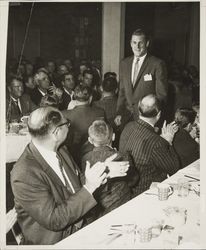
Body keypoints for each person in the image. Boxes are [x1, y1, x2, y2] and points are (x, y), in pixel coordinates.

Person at [10, 106, 129, 244]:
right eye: (67, 123)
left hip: (81, 223)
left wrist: (104, 171)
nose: (70, 126)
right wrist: (90, 187)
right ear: (56, 133)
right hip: (58, 240)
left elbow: (76, 184)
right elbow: (55, 220)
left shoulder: (61, 150)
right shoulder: (24, 174)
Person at [119, 94, 180, 196]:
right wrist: (168, 141)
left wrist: (161, 139)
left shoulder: (128, 126)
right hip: (145, 192)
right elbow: (174, 168)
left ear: (139, 111)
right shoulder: (156, 142)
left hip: (126, 189)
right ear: (159, 114)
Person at [115, 28, 168, 128]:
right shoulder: (124, 63)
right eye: (134, 43)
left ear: (147, 43)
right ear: (130, 43)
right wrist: (119, 112)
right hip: (126, 117)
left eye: (141, 43)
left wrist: (156, 120)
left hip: (146, 118)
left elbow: (161, 96)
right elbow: (122, 91)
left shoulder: (157, 64)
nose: (137, 47)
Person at [81, 120, 132, 222]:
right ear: (113, 136)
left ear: (90, 140)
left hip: (98, 208)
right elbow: (133, 180)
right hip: (123, 202)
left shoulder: (85, 158)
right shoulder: (122, 155)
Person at [62, 85, 105, 163]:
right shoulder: (100, 112)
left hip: (72, 157)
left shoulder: (64, 114)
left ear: (74, 97)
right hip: (95, 155)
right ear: (91, 98)